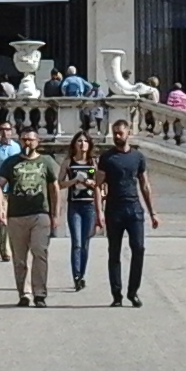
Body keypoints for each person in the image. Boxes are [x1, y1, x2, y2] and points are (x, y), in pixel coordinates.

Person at [0, 124, 60, 306]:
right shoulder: (11, 162)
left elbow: (54, 187)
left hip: (40, 214)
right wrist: (0, 209)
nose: (27, 143)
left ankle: (40, 293)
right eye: (24, 139)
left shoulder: (46, 161)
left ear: (37, 141)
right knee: (19, 258)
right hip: (16, 215)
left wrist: (55, 214)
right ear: (19, 141)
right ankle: (24, 293)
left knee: (40, 252)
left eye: (31, 139)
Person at [98, 119, 160, 307]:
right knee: (114, 252)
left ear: (128, 133)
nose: (117, 136)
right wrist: (98, 211)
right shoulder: (107, 158)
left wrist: (153, 212)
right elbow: (98, 184)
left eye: (120, 133)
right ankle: (116, 294)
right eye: (115, 133)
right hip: (114, 209)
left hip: (134, 209)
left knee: (139, 249)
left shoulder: (138, 157)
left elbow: (145, 185)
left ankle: (133, 291)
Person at [63, 130, 99, 291]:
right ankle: (76, 276)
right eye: (79, 141)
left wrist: (91, 183)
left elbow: (100, 183)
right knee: (76, 242)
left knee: (85, 242)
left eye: (85, 141)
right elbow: (59, 183)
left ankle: (82, 274)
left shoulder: (93, 163)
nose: (82, 144)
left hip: (89, 206)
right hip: (74, 206)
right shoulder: (69, 162)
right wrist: (73, 181)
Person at [0, 119, 21, 261]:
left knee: (14, 220)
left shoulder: (18, 148)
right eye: (2, 129)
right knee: (2, 219)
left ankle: (13, 247)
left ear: (12, 131)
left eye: (7, 129)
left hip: (15, 189)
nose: (5, 132)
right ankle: (4, 249)